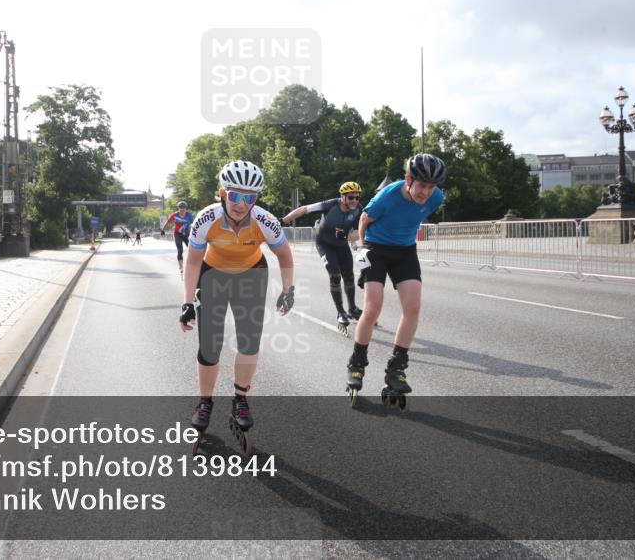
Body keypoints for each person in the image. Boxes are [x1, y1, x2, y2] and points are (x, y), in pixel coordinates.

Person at [179, 160, 295, 450]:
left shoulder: (265, 220)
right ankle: (205, 402)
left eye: (249, 198)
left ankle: (240, 400)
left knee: (249, 341)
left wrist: (288, 291)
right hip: (213, 274)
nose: (242, 204)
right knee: (209, 344)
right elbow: (193, 261)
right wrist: (186, 302)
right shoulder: (206, 218)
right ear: (222, 193)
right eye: (235, 196)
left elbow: (285, 256)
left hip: (251, 274)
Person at [346, 153, 446, 407]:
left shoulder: (436, 197)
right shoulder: (387, 196)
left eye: (430, 186)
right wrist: (362, 249)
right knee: (373, 307)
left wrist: (405, 232)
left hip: (404, 251)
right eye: (421, 185)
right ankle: (357, 362)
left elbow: (417, 215)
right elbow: (364, 220)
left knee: (412, 308)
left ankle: (396, 368)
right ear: (408, 180)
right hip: (376, 247)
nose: (425, 192)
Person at [282, 182, 363, 337]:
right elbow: (304, 209)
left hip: (341, 244)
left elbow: (361, 231)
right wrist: (282, 221)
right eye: (351, 197)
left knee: (349, 276)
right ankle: (340, 312)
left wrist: (346, 236)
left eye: (357, 197)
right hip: (325, 244)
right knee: (335, 275)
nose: (354, 200)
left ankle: (352, 308)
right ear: (342, 197)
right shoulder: (330, 205)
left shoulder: (358, 209)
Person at [161, 201, 194, 276]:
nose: (182, 209)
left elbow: (193, 223)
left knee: (192, 249)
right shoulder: (175, 215)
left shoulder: (189, 215)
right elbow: (168, 222)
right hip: (177, 234)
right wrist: (163, 230)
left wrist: (192, 230)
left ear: (186, 208)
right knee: (180, 249)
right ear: (178, 208)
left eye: (184, 208)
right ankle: (181, 266)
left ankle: (191, 264)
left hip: (186, 234)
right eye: (180, 208)